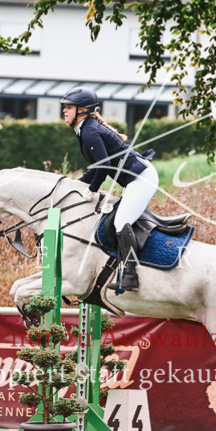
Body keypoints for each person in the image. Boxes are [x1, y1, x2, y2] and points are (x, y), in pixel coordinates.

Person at [59, 86, 158, 293]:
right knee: (115, 220)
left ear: (82, 110)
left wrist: (91, 189)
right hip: (135, 179)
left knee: (122, 222)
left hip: (142, 179)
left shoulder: (89, 131)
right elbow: (97, 166)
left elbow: (102, 166)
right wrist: (76, 184)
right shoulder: (86, 128)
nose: (64, 111)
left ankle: (130, 275)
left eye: (68, 107)